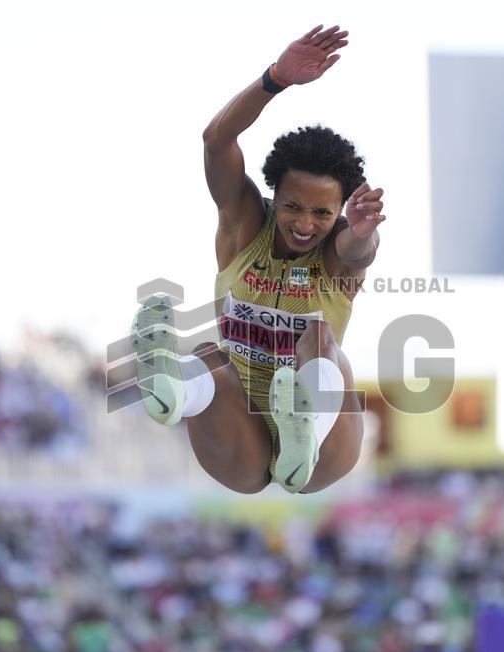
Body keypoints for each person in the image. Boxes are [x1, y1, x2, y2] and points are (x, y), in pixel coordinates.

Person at [132, 24, 386, 494]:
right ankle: (174, 390)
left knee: (322, 340)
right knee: (208, 355)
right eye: (292, 206)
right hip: (238, 436)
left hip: (326, 449)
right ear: (275, 196)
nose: (305, 224)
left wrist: (364, 233)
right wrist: (275, 79)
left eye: (322, 213)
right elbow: (215, 141)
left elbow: (359, 250)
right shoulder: (245, 224)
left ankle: (305, 426)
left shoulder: (341, 250)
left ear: (339, 213)